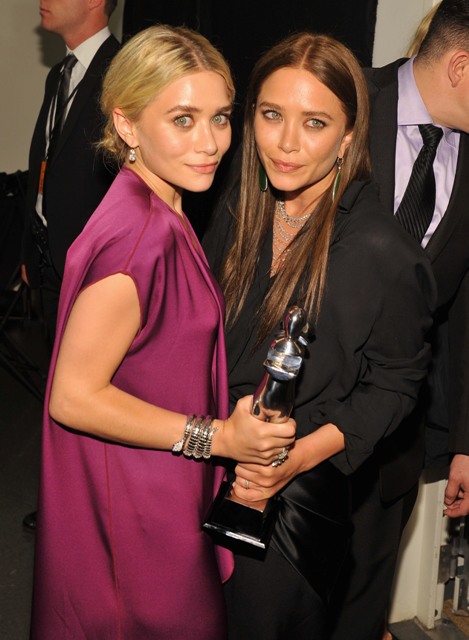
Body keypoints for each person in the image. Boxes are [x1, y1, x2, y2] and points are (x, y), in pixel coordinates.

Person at [29, 25, 296, 640]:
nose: (210, 143)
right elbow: (72, 397)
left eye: (220, 118)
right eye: (183, 120)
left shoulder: (161, 211)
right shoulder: (137, 241)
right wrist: (216, 437)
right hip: (136, 517)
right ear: (127, 125)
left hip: (158, 490)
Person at [203, 32, 435, 640]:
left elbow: (396, 383)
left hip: (289, 503)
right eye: (271, 114)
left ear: (349, 136)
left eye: (314, 123)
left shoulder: (383, 252)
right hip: (200, 464)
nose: (286, 142)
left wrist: (293, 460)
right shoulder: (232, 211)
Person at [329, 1, 469, 638]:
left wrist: (465, 440)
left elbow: (465, 308)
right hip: (295, 419)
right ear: (461, 66)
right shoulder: (343, 98)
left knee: (362, 607)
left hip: (395, 444)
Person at [22, 0, 120, 533]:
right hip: (50, 259)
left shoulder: (123, 72)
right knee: (58, 389)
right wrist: (28, 248)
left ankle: (90, 515)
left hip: (97, 270)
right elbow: (45, 164)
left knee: (90, 394)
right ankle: (65, 505)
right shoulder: (58, 75)